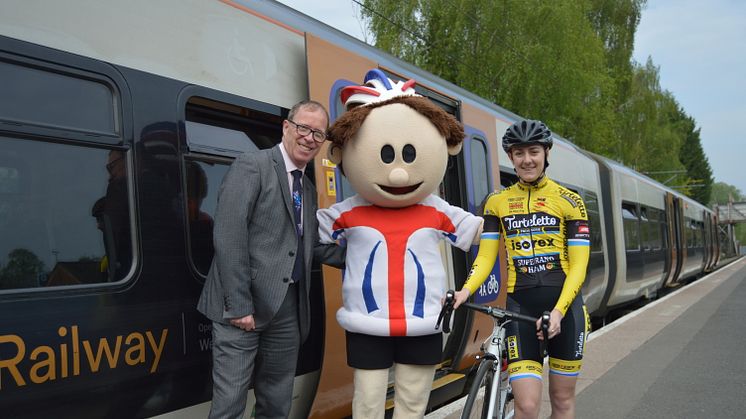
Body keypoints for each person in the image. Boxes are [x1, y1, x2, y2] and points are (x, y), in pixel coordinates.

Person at [318, 70, 483, 418]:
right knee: (367, 402)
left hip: (422, 321)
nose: (397, 174)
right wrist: (351, 260)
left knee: (412, 402)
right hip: (367, 323)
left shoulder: (438, 210)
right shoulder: (347, 213)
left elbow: (482, 232)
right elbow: (306, 236)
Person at [197, 100, 345, 419]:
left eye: (318, 134)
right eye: (303, 128)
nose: (309, 138)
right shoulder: (252, 165)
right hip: (240, 308)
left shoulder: (306, 189)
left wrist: (369, 256)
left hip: (287, 309)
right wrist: (239, 305)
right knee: (229, 405)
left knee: (277, 401)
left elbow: (308, 246)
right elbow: (229, 234)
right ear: (286, 127)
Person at [453, 120, 591, 419]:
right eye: (519, 153)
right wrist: (465, 291)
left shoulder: (570, 202)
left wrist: (558, 312)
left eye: (533, 151)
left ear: (546, 153)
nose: (527, 159)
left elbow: (579, 267)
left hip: (565, 311)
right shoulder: (497, 203)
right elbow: (486, 256)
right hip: (521, 309)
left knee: (562, 400)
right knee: (527, 407)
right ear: (510, 157)